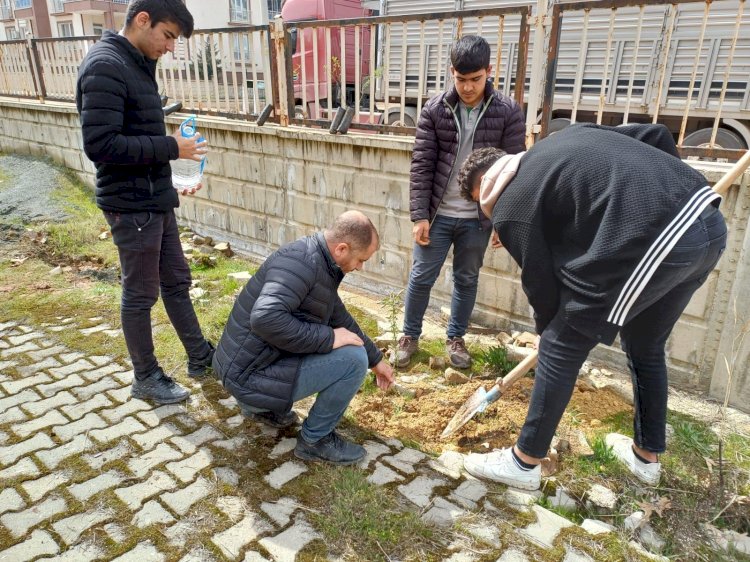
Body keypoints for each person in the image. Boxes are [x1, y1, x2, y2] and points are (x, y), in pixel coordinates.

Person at [457, 123, 727, 490]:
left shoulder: (507, 206)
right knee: (645, 345)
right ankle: (646, 458)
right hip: (706, 220)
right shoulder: (563, 140)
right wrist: (666, 199)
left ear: (480, 193)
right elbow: (656, 136)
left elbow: (541, 287)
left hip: (657, 239)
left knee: (559, 343)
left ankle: (524, 463)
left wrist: (548, 335)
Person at [76, 0, 214, 404]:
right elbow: (101, 145)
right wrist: (173, 146)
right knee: (140, 293)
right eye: (168, 35)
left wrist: (172, 179)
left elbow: (134, 135)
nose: (170, 47)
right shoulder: (106, 66)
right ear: (142, 20)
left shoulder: (136, 63)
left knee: (177, 280)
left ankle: (200, 356)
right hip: (131, 205)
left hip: (154, 198)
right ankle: (146, 377)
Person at [213, 211, 395, 465]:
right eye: (361, 259)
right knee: (354, 359)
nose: (360, 267)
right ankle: (315, 441)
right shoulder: (302, 265)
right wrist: (329, 338)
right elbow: (265, 318)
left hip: (246, 373)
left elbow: (339, 317)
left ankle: (267, 410)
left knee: (356, 349)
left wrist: (377, 361)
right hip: (248, 379)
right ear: (342, 248)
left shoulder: (316, 261)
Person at [393, 34, 526, 370]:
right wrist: (419, 215)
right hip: (438, 215)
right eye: (461, 79)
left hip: (477, 219)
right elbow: (422, 165)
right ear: (452, 72)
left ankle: (455, 339)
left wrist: (502, 219)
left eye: (476, 79)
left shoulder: (507, 111)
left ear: (489, 71)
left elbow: (513, 169)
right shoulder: (435, 109)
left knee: (467, 278)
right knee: (422, 277)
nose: (468, 87)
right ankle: (409, 337)